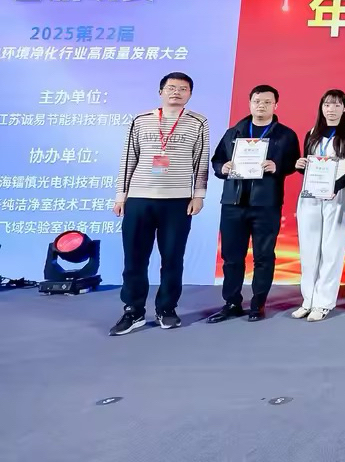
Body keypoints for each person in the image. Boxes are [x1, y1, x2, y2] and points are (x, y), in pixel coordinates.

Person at [110, 72, 210, 336]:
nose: (176, 92)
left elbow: (201, 160)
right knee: (134, 259)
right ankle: (133, 310)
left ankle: (166, 308)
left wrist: (199, 195)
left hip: (177, 201)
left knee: (173, 258)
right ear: (161, 92)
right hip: (139, 199)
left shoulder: (198, 122)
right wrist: (121, 196)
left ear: (190, 94)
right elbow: (128, 158)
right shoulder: (140, 120)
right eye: (171, 87)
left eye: (183, 88)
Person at [207, 85, 301, 324]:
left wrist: (277, 166)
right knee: (231, 256)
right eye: (257, 101)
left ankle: (258, 303)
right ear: (250, 103)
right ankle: (231, 303)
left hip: (266, 204)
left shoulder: (286, 135)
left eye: (267, 102)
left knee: (263, 256)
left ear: (275, 105)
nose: (262, 105)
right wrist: (222, 168)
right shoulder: (234, 132)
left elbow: (294, 163)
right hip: (233, 203)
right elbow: (217, 160)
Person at [293, 89, 345, 322]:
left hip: (336, 195)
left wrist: (337, 185)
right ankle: (308, 300)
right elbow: (307, 166)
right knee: (308, 248)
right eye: (327, 105)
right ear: (321, 108)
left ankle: (323, 302)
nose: (331, 109)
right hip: (310, 196)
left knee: (331, 249)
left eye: (336, 105)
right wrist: (300, 165)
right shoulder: (311, 133)